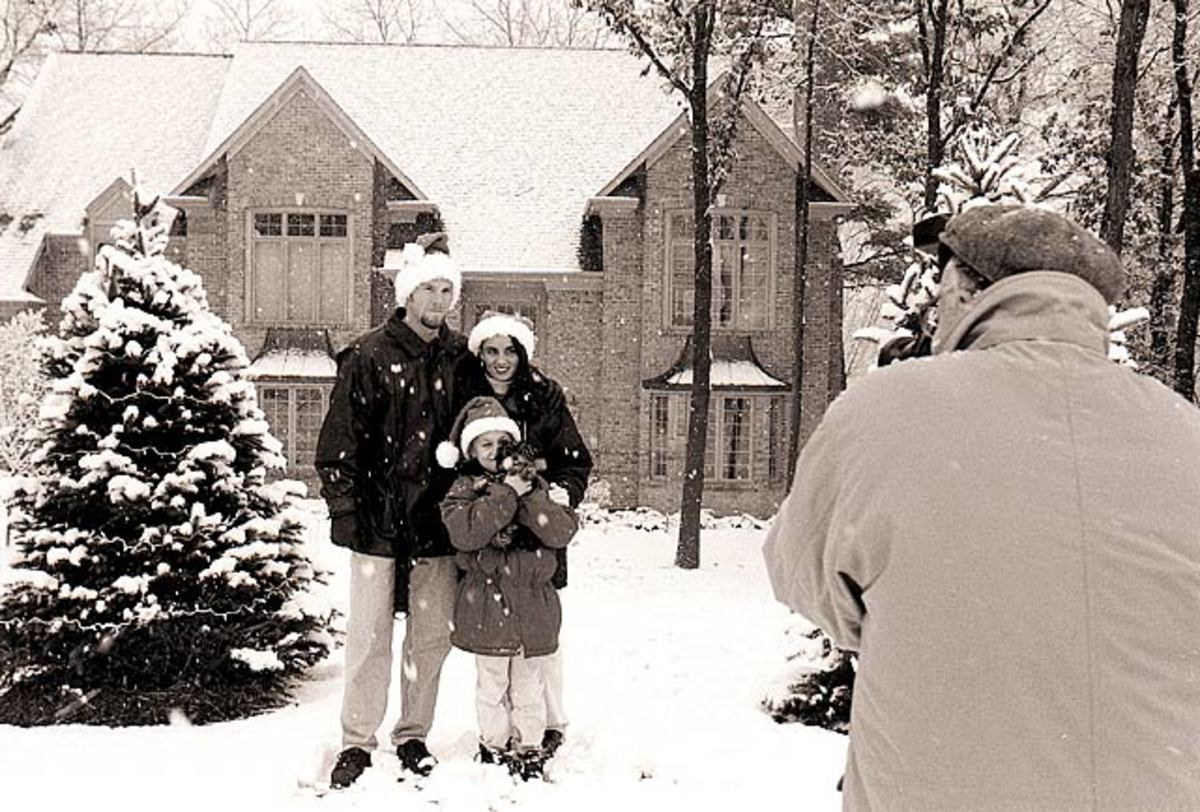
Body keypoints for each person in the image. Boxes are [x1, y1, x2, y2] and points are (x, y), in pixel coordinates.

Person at [763, 204, 1200, 811]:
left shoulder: (883, 417)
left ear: (966, 292)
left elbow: (803, 581)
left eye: (940, 293)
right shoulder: (1185, 434)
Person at [314, 232, 469, 788]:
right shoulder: (368, 355)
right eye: (429, 288)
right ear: (408, 294)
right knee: (369, 638)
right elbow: (339, 441)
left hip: (437, 524)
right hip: (376, 520)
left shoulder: (462, 358)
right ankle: (356, 741)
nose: (438, 299)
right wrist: (345, 509)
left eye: (446, 289)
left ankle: (413, 735)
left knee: (429, 640)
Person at [450, 310, 592, 755]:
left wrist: (557, 496)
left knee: (539, 642)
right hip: (488, 540)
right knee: (494, 650)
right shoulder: (464, 397)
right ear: (479, 355)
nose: (501, 361)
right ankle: (497, 735)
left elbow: (573, 461)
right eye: (491, 351)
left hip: (536, 535)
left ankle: (548, 724)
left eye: (509, 351)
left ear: (522, 354)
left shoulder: (544, 398)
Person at [437, 395, 578, 780]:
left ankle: (529, 745)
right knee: (492, 685)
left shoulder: (535, 486)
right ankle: (494, 745)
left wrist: (528, 492)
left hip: (533, 606)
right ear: (470, 450)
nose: (494, 450)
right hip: (488, 606)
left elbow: (560, 531)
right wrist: (506, 494)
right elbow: (467, 533)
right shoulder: (464, 490)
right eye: (485, 443)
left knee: (530, 686)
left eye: (503, 442)